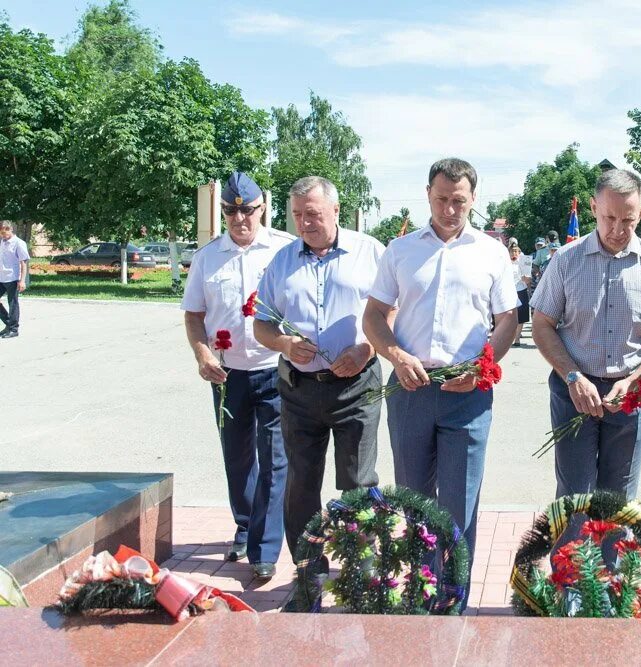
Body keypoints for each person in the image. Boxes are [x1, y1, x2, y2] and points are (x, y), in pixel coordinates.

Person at [363, 158, 518, 597]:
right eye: (441, 200)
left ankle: (454, 597)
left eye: (459, 201)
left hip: (467, 392)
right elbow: (373, 315)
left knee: (460, 501)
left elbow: (509, 318)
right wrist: (394, 354)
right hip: (411, 388)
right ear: (427, 195)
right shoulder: (401, 250)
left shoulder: (491, 252)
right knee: (413, 498)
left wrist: (483, 367)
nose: (449, 210)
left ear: (473, 199)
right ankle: (418, 587)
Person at [253, 176, 386, 563]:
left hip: (357, 387)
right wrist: (284, 344)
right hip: (299, 390)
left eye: (312, 214)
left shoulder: (370, 253)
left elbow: (393, 313)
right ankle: (308, 570)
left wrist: (367, 348)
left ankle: (363, 569)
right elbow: (262, 324)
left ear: (336, 210)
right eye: (297, 215)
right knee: (301, 482)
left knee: (359, 482)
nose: (304, 224)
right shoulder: (281, 261)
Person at [530, 168, 641, 499]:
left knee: (618, 501)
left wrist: (634, 381)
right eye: (608, 217)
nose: (616, 230)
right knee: (574, 499)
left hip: (630, 396)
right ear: (593, 207)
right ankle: (572, 554)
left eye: (627, 220)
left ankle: (611, 554)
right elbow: (542, 324)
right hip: (574, 392)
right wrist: (572, 376)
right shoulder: (566, 261)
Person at [181, 172, 296, 579]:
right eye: (230, 210)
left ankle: (264, 549)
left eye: (247, 209)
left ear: (262, 207)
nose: (239, 218)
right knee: (237, 457)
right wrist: (201, 354)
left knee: (275, 457)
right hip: (228, 375)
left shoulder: (285, 250)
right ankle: (246, 524)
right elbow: (194, 314)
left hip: (275, 369)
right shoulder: (208, 257)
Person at [0, 221, 30, 339]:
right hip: (1, 278)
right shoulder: (2, 242)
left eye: (5, 232)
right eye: (1, 232)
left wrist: (22, 281)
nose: (4, 235)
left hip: (12, 278)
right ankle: (9, 323)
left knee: (12, 303)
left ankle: (13, 329)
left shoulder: (19, 243)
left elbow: (23, 264)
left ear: (10, 229)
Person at [508, 239, 532, 346]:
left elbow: (528, 280)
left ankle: (517, 339)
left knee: (521, 316)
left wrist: (526, 278)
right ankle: (510, 337)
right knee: (510, 316)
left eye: (516, 251)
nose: (514, 253)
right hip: (509, 291)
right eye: (512, 251)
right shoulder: (505, 263)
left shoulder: (523, 263)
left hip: (521, 290)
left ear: (519, 252)